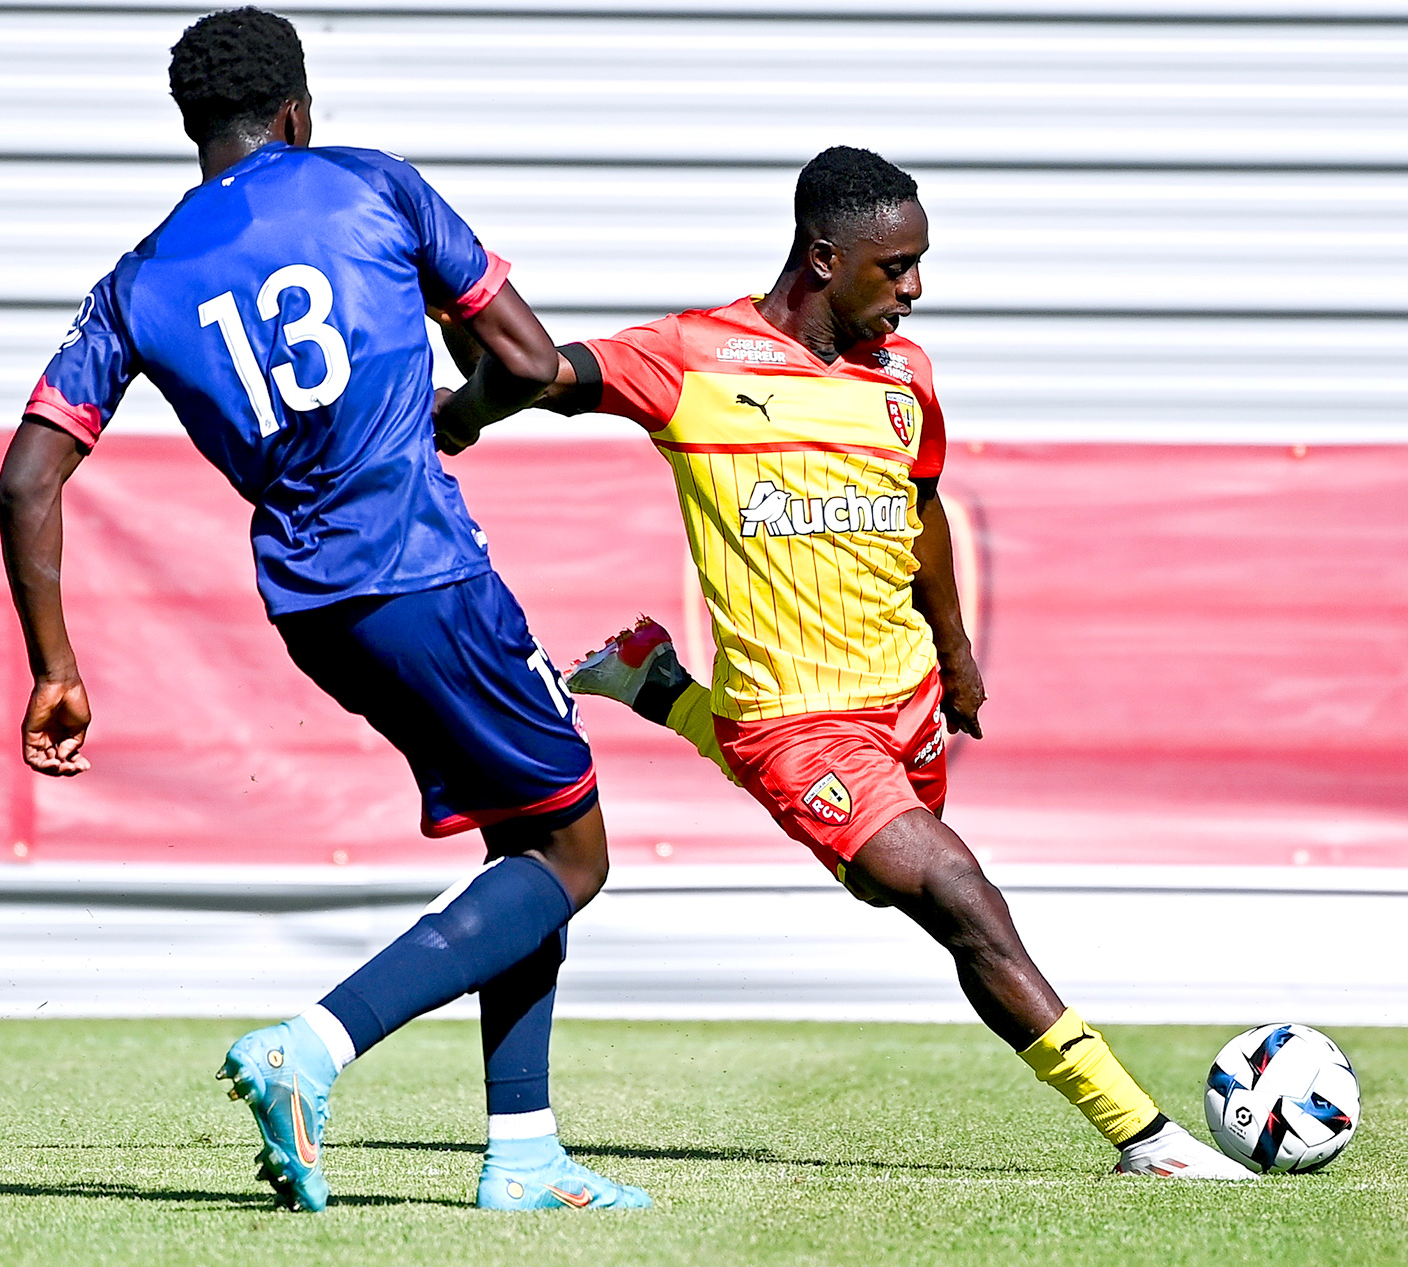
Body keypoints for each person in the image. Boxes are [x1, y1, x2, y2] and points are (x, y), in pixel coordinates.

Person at [435, 146, 1253, 1180]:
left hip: (901, 705)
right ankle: (1145, 1136)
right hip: (795, 723)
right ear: (822, 258)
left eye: (918, 264)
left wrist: (955, 660)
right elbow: (544, 371)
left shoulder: (903, 376)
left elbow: (919, 511)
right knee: (959, 893)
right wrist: (448, 331)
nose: (912, 289)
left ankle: (666, 691)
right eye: (893, 266)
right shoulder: (693, 357)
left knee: (894, 895)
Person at [0, 7, 647, 1213]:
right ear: (296, 112)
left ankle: (524, 1154)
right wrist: (463, 413)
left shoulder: (138, 279)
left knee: (523, 838)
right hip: (424, 570)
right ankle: (316, 1045)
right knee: (573, 850)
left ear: (194, 128)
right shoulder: (368, 186)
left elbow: (28, 475)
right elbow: (527, 353)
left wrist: (54, 666)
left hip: (313, 607)